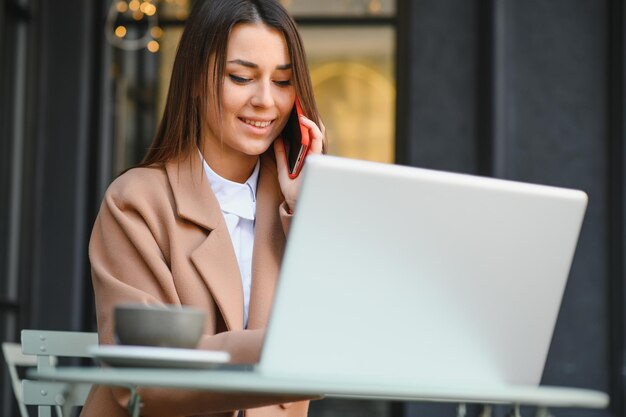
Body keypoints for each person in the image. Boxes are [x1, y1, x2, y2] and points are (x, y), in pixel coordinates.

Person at [81, 0, 325, 416]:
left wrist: (308, 211)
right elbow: (143, 374)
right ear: (196, 79)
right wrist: (290, 347)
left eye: (283, 82)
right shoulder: (136, 202)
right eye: (241, 77)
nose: (266, 100)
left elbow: (346, 335)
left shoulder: (296, 212)